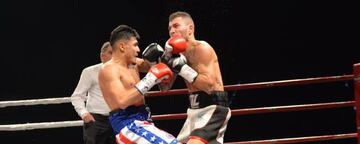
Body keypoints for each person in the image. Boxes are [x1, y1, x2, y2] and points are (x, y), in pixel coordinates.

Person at [98, 24, 180, 144]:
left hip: (143, 121)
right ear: (122, 46)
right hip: (128, 125)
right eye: (135, 45)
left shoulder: (134, 63)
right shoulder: (109, 70)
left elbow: (155, 66)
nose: (138, 50)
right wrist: (150, 78)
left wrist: (169, 54)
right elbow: (122, 101)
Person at [161, 11, 231, 144]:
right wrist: (163, 63)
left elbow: (209, 86)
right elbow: (165, 87)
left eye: (176, 26)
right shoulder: (177, 55)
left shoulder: (202, 48)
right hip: (193, 110)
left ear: (190, 29)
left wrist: (181, 68)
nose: (172, 31)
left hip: (213, 107)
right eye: (170, 28)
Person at [70, 41, 115, 144]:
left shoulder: (125, 71)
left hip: (117, 118)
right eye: (110, 53)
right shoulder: (90, 72)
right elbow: (77, 96)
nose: (114, 57)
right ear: (102, 56)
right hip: (96, 120)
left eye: (116, 53)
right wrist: (84, 113)